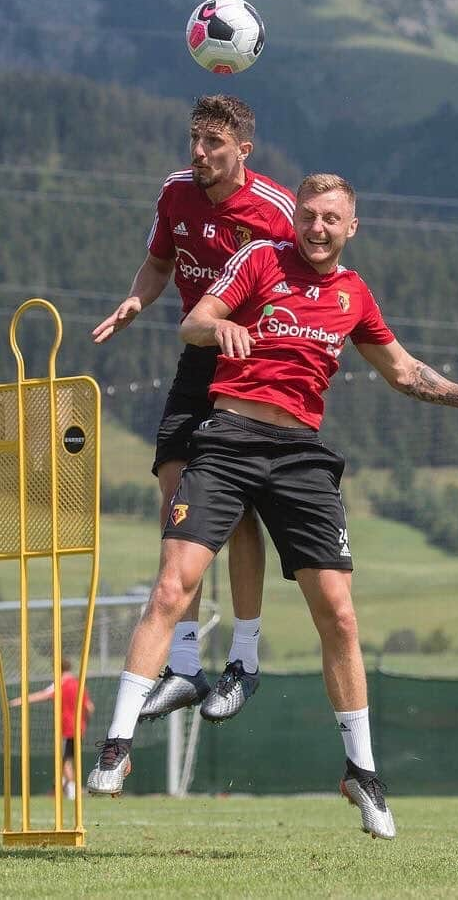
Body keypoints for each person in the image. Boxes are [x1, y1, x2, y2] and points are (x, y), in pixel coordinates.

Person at [86, 173, 458, 839]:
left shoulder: (353, 294)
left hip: (299, 456)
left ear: (351, 227)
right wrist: (219, 330)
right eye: (307, 214)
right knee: (171, 586)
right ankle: (117, 743)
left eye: (330, 218)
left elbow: (405, 371)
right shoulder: (261, 258)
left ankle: (361, 772)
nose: (316, 226)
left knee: (341, 614)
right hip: (230, 437)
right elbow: (193, 319)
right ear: (294, 217)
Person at [91, 94, 295, 724]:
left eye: (214, 144)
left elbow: (308, 281)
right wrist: (136, 300)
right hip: (198, 356)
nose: (200, 154)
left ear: (243, 150)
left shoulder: (276, 210)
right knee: (175, 495)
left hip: (254, 365)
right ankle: (183, 667)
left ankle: (244, 657)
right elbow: (157, 264)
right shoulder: (175, 193)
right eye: (195, 142)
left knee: (235, 511)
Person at [9, 658, 94, 799]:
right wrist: (84, 722)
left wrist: (20, 700)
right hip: (79, 728)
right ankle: (63, 785)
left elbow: (42, 695)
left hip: (67, 728)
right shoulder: (79, 685)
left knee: (64, 760)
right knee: (69, 759)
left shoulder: (60, 684)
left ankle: (72, 791)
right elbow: (90, 707)